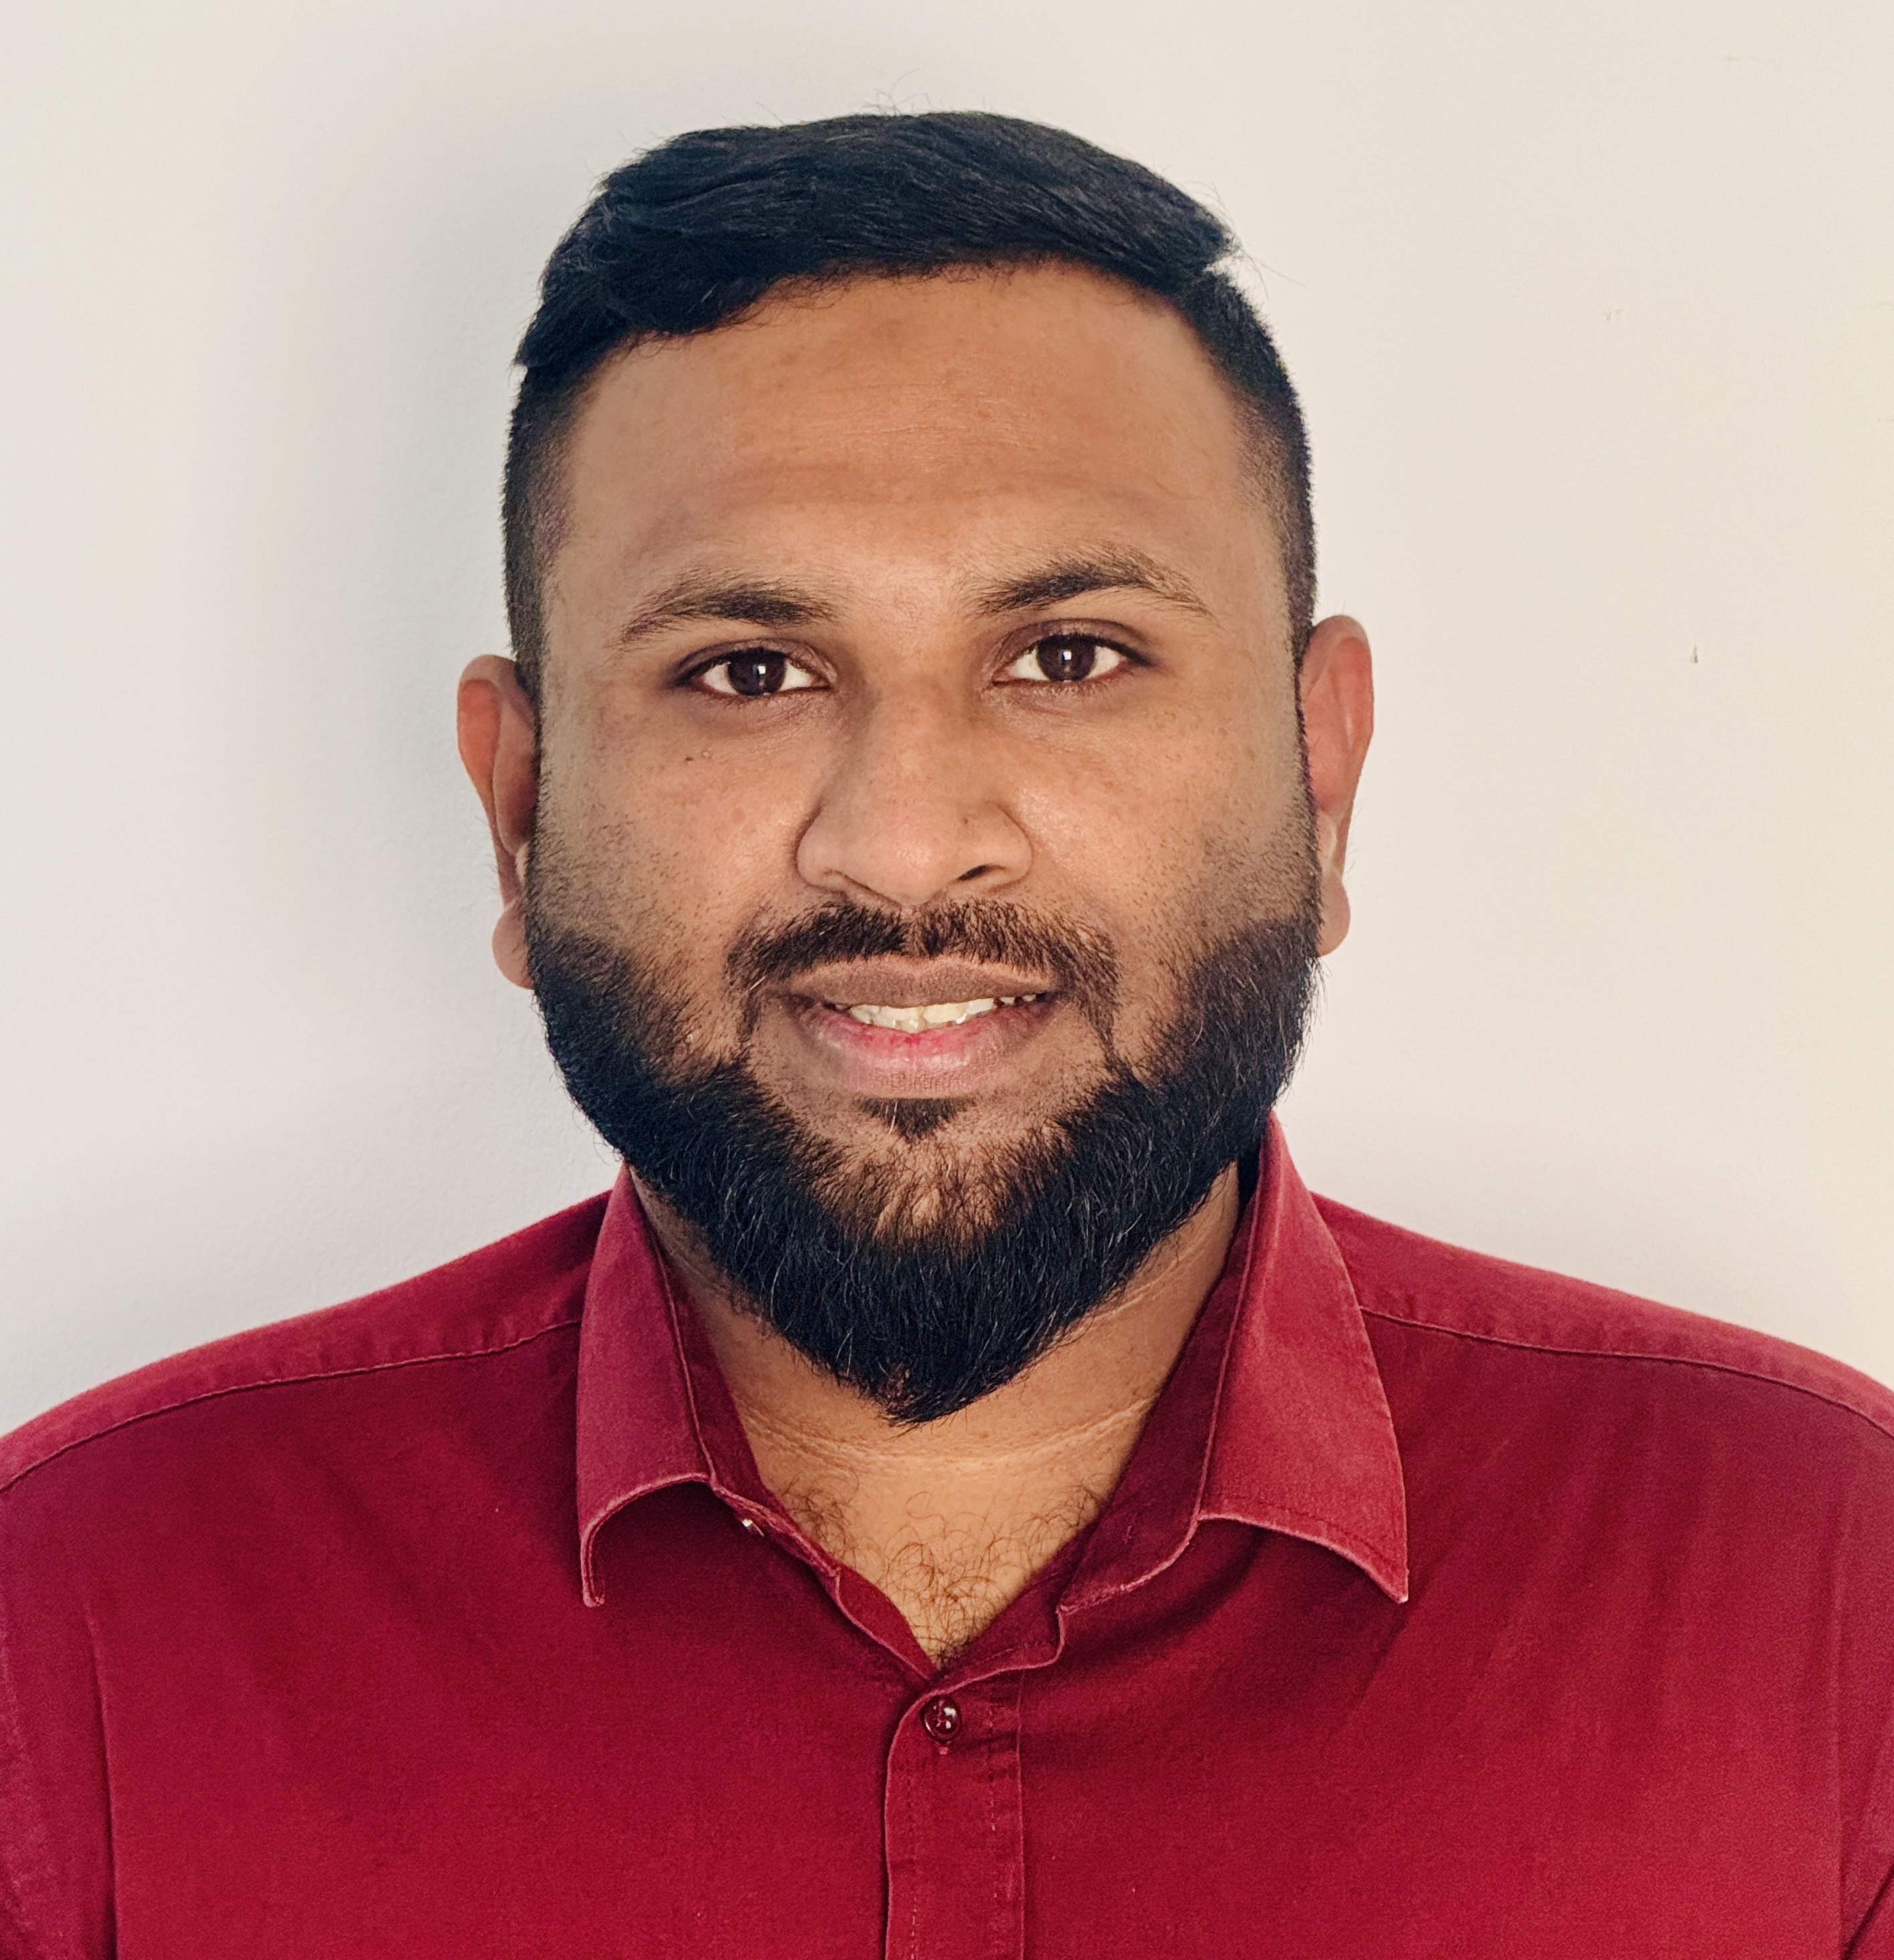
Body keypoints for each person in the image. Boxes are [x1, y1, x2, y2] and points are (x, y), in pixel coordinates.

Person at [1, 110, 1889, 1959]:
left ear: (1320, 774)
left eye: (1070, 656)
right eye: (748, 672)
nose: (905, 842)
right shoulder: (66, 1630)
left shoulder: (1833, 1595)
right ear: (518, 811)